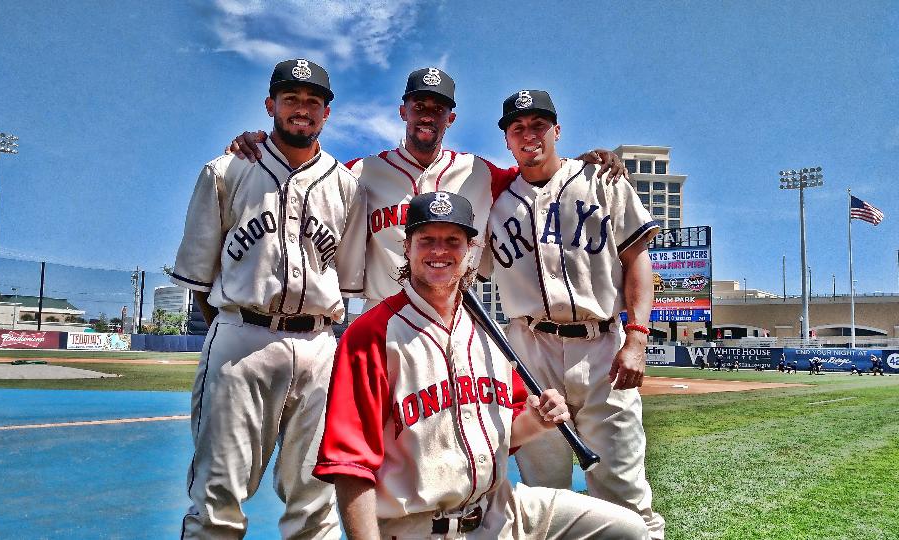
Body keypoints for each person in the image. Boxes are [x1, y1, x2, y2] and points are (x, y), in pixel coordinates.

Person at [314, 191, 648, 539]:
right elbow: (350, 466)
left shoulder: (489, 332)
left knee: (627, 530)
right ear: (407, 248)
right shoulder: (371, 334)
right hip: (416, 527)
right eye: (426, 239)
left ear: (470, 251)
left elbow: (508, 433)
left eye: (452, 241)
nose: (439, 251)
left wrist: (536, 421)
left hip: (501, 511)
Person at [225, 67, 628, 309]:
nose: (427, 115)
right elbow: (307, 169)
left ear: (450, 118)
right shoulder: (360, 172)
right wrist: (263, 142)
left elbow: (538, 172)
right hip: (383, 317)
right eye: (419, 106)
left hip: (458, 318)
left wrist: (583, 162)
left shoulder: (480, 172)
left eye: (437, 108)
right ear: (403, 110)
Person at [169, 59, 366, 539]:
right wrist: (234, 329)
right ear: (270, 105)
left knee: (315, 499)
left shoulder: (346, 185)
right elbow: (200, 278)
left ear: (326, 113)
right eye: (291, 98)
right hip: (242, 335)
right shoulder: (227, 170)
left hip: (320, 345)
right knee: (218, 497)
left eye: (313, 101)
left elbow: (348, 281)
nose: (302, 109)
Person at [481, 90, 664, 537]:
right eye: (518, 127)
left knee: (623, 487)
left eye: (539, 124)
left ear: (557, 131)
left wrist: (637, 338)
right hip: (529, 351)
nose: (529, 134)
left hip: (603, 345)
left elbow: (637, 258)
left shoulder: (603, 180)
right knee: (546, 488)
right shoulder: (493, 202)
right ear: (506, 139)